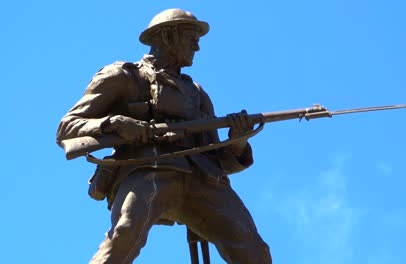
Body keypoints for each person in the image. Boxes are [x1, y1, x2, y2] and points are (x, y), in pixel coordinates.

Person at [56, 8, 272, 264]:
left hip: (202, 180)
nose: (197, 48)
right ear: (168, 37)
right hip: (148, 171)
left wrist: (238, 141)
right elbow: (67, 127)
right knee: (125, 233)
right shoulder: (124, 77)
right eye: (191, 39)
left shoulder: (197, 94)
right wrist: (114, 123)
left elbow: (218, 159)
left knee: (254, 250)